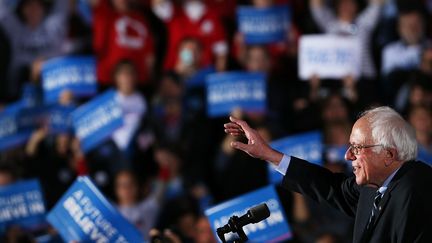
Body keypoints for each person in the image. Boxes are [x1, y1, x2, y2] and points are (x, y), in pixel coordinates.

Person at [224, 106, 432, 242]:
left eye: (357, 148)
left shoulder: (418, 188)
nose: (348, 155)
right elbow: (329, 186)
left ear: (388, 154)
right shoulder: (373, 189)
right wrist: (270, 155)